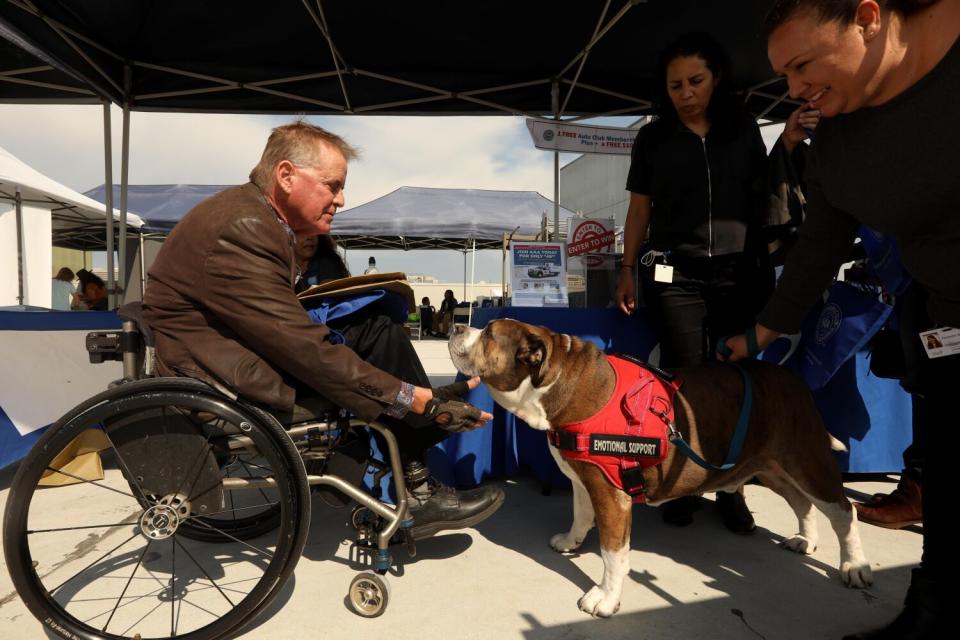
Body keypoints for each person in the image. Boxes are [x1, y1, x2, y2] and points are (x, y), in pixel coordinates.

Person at [143, 121, 504, 540]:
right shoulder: (244, 228)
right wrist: (404, 395)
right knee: (376, 334)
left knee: (374, 329)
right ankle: (417, 482)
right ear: (286, 175)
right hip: (218, 373)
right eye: (332, 186)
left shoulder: (256, 217)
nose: (341, 199)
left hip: (223, 353)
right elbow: (302, 347)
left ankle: (411, 457)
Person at [722, 2, 959, 637]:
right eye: (785, 76)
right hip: (943, 316)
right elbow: (819, 245)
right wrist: (763, 332)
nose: (794, 89)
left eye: (802, 65)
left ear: (868, 18)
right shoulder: (837, 136)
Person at [614, 32, 819, 534]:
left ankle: (732, 488)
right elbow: (640, 208)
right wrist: (626, 267)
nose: (685, 93)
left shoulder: (742, 127)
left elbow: (766, 186)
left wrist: (789, 140)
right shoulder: (652, 138)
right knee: (684, 380)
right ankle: (682, 481)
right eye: (675, 85)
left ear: (716, 79)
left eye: (696, 81)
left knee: (736, 380)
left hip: (739, 273)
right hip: (674, 275)